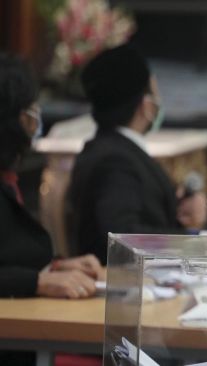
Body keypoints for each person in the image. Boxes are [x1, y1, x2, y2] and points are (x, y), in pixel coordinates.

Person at [0, 52, 104, 365]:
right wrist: (38, 281)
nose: (35, 119)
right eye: (29, 111)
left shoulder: (7, 176)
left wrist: (56, 266)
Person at [68, 45, 207, 265]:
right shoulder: (115, 161)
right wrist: (190, 239)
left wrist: (178, 214)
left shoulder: (109, 149)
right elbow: (122, 234)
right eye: (154, 90)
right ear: (146, 105)